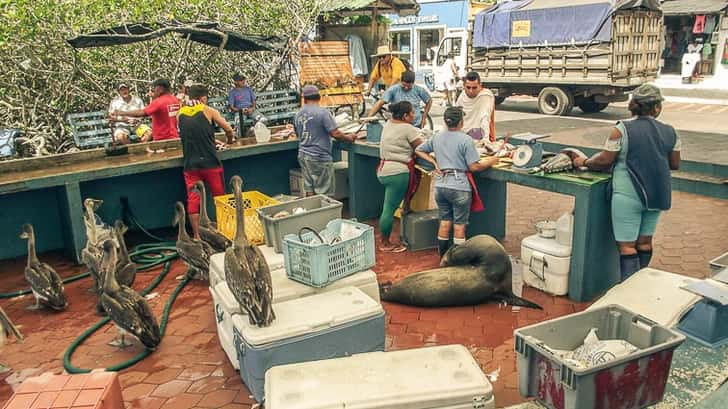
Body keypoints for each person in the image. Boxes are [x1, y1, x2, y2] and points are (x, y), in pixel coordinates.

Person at [569, 84, 680, 281]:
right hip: (657, 195)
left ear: (633, 105)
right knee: (645, 243)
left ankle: (628, 288)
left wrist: (583, 162)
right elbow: (674, 164)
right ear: (656, 108)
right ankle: (640, 283)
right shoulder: (671, 132)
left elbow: (605, 160)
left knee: (627, 246)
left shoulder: (621, 130)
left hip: (628, 194)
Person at [415, 107, 499, 257]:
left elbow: (419, 150)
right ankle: (457, 261)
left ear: (445, 122)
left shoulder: (437, 137)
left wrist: (434, 162)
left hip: (441, 186)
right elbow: (474, 166)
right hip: (459, 186)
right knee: (459, 226)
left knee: (445, 222)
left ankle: (443, 257)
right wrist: (492, 160)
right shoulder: (465, 140)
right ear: (461, 122)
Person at [178, 84, 235, 240]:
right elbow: (228, 129)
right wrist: (229, 141)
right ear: (203, 97)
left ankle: (197, 235)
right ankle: (224, 230)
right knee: (219, 197)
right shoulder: (208, 110)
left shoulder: (180, 113)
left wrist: (213, 140)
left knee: (193, 199)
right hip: (210, 163)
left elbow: (195, 133)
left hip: (191, 165)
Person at [377, 101, 424, 252]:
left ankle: (406, 208)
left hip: (384, 169)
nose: (414, 115)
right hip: (398, 172)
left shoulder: (388, 124)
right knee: (389, 209)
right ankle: (385, 243)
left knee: (388, 206)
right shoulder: (408, 129)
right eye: (412, 112)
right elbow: (422, 148)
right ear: (405, 116)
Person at [294, 85, 356, 196]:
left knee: (309, 188)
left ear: (305, 99)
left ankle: (312, 211)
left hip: (303, 155)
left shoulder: (298, 114)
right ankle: (326, 213)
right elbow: (335, 133)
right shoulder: (323, 113)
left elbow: (298, 134)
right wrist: (348, 137)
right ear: (319, 97)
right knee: (325, 192)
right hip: (319, 156)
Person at [111, 78, 180, 141]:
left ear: (160, 89)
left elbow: (143, 113)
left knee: (149, 134)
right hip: (174, 137)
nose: (154, 90)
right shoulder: (175, 99)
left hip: (162, 138)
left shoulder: (159, 102)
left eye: (155, 88)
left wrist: (123, 113)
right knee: (121, 136)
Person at [368, 71, 432, 129]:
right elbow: (380, 103)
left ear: (413, 83)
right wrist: (368, 117)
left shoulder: (419, 89)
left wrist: (424, 118)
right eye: (404, 85)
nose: (406, 88)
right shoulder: (393, 90)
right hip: (398, 126)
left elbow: (429, 101)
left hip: (416, 124)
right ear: (401, 81)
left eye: (409, 86)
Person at [456, 71, 496, 143]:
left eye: (474, 88)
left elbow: (484, 117)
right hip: (463, 137)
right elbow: (455, 115)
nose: (471, 91)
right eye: (468, 87)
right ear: (464, 85)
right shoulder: (462, 95)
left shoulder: (485, 95)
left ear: (480, 85)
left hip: (480, 137)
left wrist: (485, 139)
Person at [228, 73, 257, 138]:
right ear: (236, 82)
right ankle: (241, 138)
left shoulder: (248, 89)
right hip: (240, 112)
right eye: (241, 80)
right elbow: (231, 107)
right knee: (239, 123)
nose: (243, 81)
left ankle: (250, 132)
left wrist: (252, 108)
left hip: (250, 109)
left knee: (263, 120)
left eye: (244, 79)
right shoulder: (232, 92)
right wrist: (241, 110)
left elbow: (254, 101)